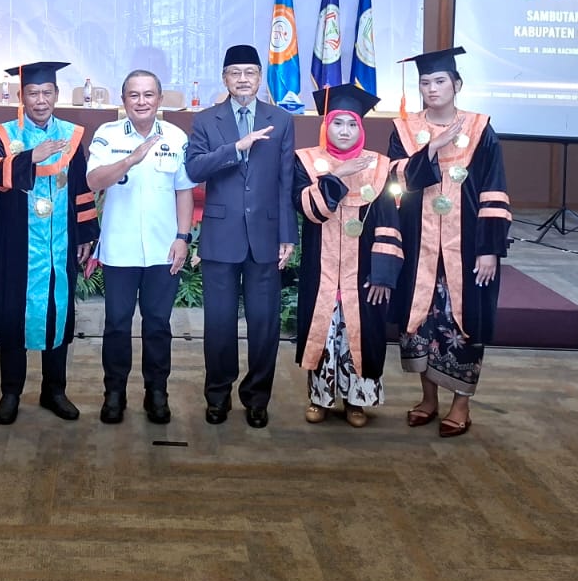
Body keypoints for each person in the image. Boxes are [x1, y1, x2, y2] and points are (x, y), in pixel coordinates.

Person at [385, 47, 511, 439]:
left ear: (456, 85)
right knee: (420, 321)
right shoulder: (404, 131)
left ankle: (461, 404)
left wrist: (490, 247)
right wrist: (432, 150)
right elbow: (396, 184)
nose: (432, 88)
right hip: (418, 245)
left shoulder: (480, 129)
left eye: (440, 81)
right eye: (425, 82)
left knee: (463, 322)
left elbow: (494, 189)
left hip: (468, 246)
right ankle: (428, 399)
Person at [184, 43, 297, 429]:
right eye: (235, 73)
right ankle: (217, 396)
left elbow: (285, 181)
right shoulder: (206, 120)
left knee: (264, 324)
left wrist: (288, 234)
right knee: (219, 323)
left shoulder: (280, 120)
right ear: (225, 79)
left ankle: (257, 398)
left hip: (265, 235)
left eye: (251, 72)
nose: (243, 79)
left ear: (260, 77)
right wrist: (236, 148)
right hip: (221, 235)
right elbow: (195, 169)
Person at [0, 61, 99, 425]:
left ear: (57, 96)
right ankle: (11, 391)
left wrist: (84, 235)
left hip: (60, 244)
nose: (41, 99)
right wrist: (31, 156)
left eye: (47, 92)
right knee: (14, 313)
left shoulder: (72, 135)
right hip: (18, 244)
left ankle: (55, 390)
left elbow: (80, 187)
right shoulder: (1, 136)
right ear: (22, 96)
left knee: (57, 311)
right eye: (33, 93)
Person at [292, 84, 404, 426]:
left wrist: (384, 272)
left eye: (352, 124)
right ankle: (320, 399)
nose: (344, 131)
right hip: (321, 268)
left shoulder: (379, 166)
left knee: (361, 332)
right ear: (327, 126)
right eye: (338, 123)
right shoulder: (307, 161)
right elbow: (310, 210)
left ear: (361, 128)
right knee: (322, 331)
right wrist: (336, 176)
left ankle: (357, 401)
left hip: (364, 271)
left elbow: (388, 221)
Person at [86, 70, 193, 425]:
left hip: (165, 250)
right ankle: (114, 392)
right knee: (117, 323)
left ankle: (156, 392)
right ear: (124, 100)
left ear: (160, 100)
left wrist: (183, 237)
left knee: (158, 324)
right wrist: (129, 160)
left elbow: (184, 191)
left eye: (149, 95)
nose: (142, 101)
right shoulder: (108, 135)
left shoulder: (176, 137)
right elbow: (93, 181)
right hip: (120, 248)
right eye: (134, 95)